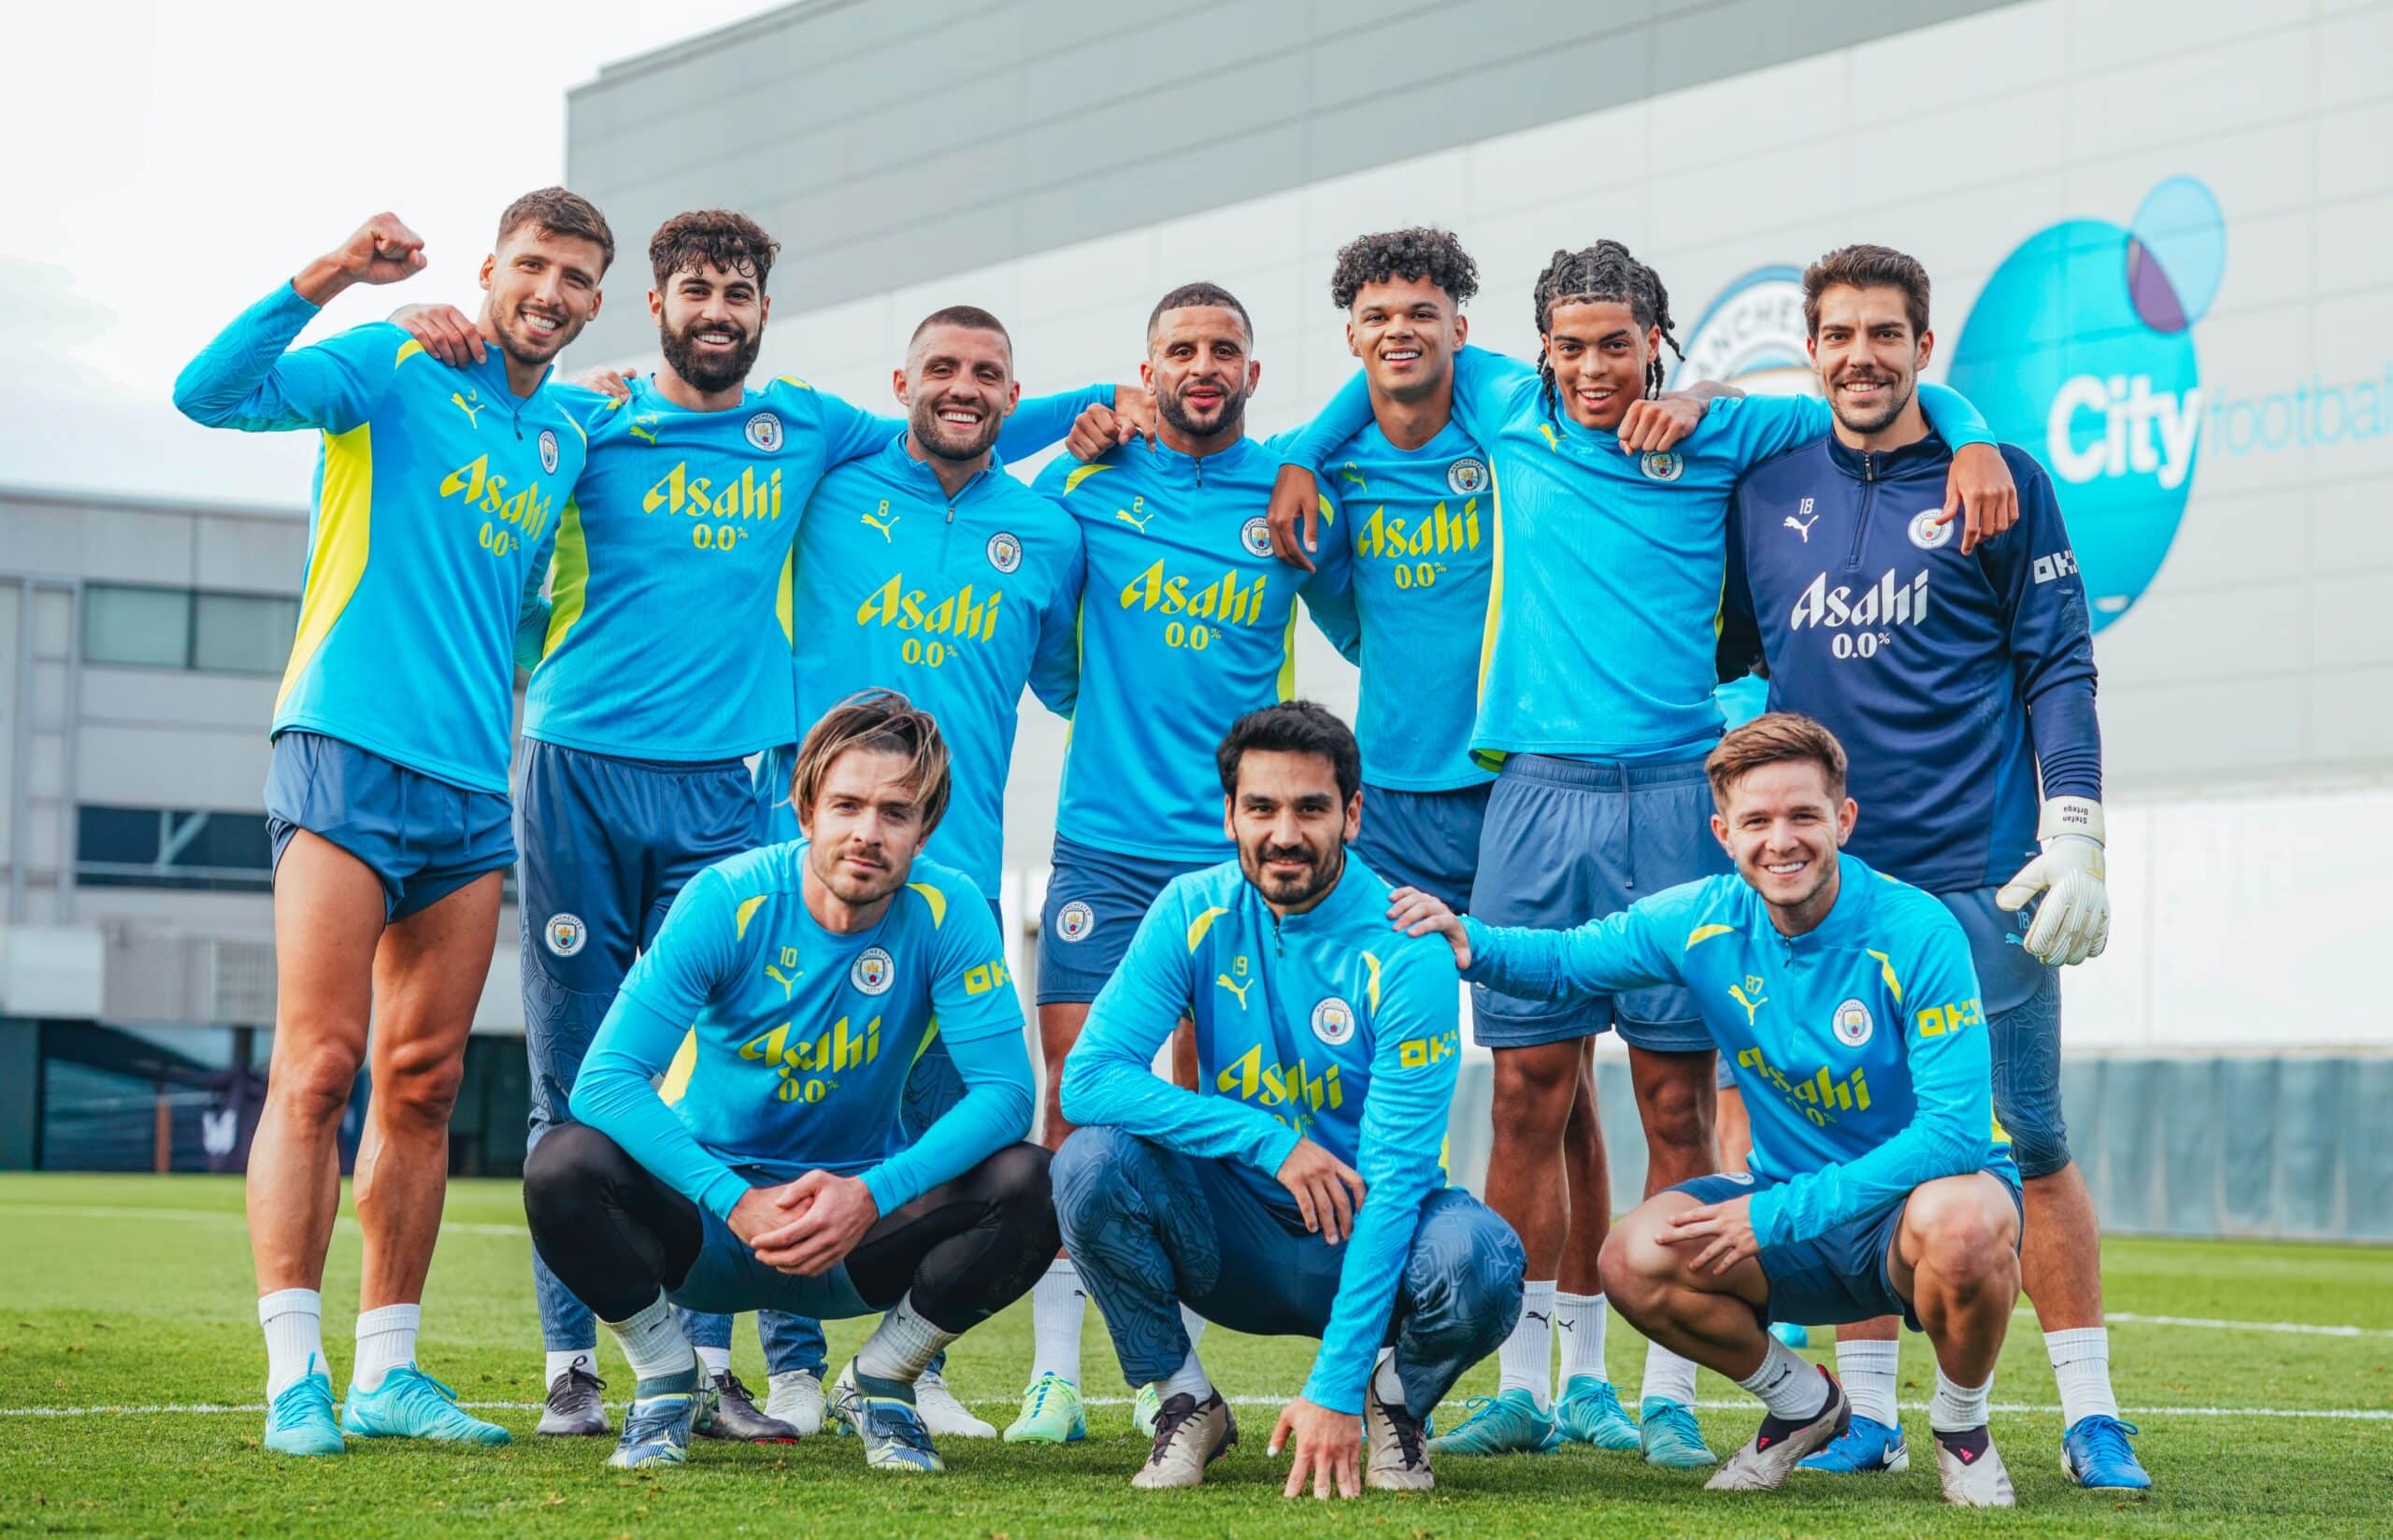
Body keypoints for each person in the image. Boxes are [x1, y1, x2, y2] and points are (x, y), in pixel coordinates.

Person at [1271, 239, 2016, 1464]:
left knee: (1675, 1096)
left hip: (1677, 795)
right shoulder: (1509, 405)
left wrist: (1975, 434)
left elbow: (1865, 396)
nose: (1591, 367)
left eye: (1617, 343)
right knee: (1524, 1093)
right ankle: (1520, 1385)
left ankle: (1664, 1392)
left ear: (1657, 344)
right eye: (1570, 345)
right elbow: (1390, 368)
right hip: (1538, 794)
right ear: (1542, 351)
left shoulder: (1720, 433)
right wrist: (1300, 451)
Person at [392, 220, 1118, 1441]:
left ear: (764, 310)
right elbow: (504, 426)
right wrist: (429, 337)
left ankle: (847, 1366)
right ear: (657, 303)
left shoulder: (820, 439)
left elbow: (977, 428)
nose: (718, 307)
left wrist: (1116, 405)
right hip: (590, 772)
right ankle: (594, 1360)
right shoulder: (606, 418)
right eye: (696, 289)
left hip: (835, 821)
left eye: (738, 290)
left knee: (880, 1089)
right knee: (593, 1074)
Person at [172, 193, 613, 1457]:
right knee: (315, 1070)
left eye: (577, 277)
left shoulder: (571, 434)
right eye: (534, 265)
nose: (551, 291)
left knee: (421, 1085)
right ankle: (292, 1375)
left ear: (592, 300)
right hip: (344, 752)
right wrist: (336, 277)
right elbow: (210, 393)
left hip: (474, 785)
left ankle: (389, 1375)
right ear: (491, 270)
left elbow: (519, 610)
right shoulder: (399, 356)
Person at [1717, 244, 2145, 1490]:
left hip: (1981, 879)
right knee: (1850, 1145)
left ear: (1924, 348)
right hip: (1833, 893)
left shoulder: (2002, 481)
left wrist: (2076, 830)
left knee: (2033, 1136)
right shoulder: (1764, 485)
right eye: (1840, 334)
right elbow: (1743, 668)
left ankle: (2089, 1413)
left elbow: (2059, 664)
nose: (1862, 355)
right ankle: (1861, 1415)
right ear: (1812, 348)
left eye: (1886, 334)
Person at [1394, 713, 2027, 1506]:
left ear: (1844, 820)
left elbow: (1954, 1134)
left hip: (1908, 1218)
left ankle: (1962, 1426)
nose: (1782, 841)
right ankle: (1802, 1405)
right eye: (1757, 822)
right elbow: (1565, 958)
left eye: (1804, 816)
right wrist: (1469, 941)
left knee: (1963, 1221)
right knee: (1633, 1256)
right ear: (1724, 833)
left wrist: (1774, 1217)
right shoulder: (1700, 919)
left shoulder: (1917, 930)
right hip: (1794, 1214)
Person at [521, 691, 1056, 1474]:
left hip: (855, 1234)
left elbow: (1009, 1094)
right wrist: (733, 1198)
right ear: (806, 809)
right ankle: (669, 1377)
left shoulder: (950, 912)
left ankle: (882, 1379)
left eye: (895, 813)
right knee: (562, 1164)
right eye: (846, 805)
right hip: (705, 1230)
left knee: (1037, 1181)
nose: (867, 833)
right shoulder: (728, 899)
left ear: (926, 828)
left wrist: (870, 1195)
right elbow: (605, 1081)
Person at [1007, 282, 1351, 1445]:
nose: (1202, 366)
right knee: (1076, 1096)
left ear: (1253, 372)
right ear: (1145, 367)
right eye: (1180, 349)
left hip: (1242, 861)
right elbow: (1047, 637)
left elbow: (1366, 614)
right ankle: (1067, 1374)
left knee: (1223, 1094)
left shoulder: (1291, 495)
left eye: (1225, 350)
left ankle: (1228, 1341)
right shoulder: (1087, 484)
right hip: (1101, 844)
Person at [745, 304, 1087, 1438]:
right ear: (900, 382)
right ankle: (790, 1362)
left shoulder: (1046, 532)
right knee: (797, 1105)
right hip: (814, 875)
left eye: (988, 373)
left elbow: (1065, 683)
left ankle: (909, 1362)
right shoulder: (829, 481)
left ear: (1010, 391)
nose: (963, 387)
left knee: (965, 1127)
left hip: (962, 879)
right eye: (941, 367)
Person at [1055, 702, 1523, 1495]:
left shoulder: (1406, 949)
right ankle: (1187, 1402)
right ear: (1230, 814)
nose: (1284, 833)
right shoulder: (1190, 909)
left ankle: (1392, 1405)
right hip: (1232, 1234)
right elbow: (1090, 1078)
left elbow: (1400, 1179)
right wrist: (1265, 1139)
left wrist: (1337, 1384)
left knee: (1482, 1259)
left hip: (1373, 1232)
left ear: (1353, 813)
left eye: (1311, 808)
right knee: (1088, 1163)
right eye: (1262, 808)